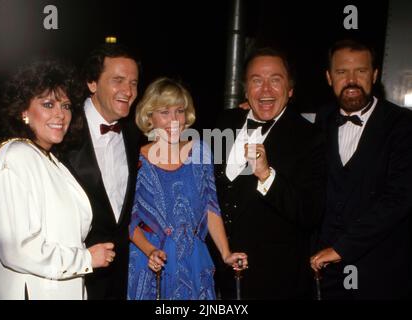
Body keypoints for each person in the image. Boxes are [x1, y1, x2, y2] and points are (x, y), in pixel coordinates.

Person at [0, 60, 115, 300]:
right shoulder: (17, 156)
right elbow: (16, 249)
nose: (61, 114)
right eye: (48, 104)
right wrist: (86, 258)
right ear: (23, 111)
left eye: (66, 106)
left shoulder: (52, 161)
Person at [214, 48, 326, 299]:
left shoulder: (310, 138)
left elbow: (310, 213)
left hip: (276, 282)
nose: (265, 90)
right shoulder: (225, 122)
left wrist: (266, 175)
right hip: (218, 278)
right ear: (245, 90)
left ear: (290, 90)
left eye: (275, 80)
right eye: (256, 80)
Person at [127, 77, 248, 300]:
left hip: (193, 261)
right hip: (149, 262)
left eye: (179, 111)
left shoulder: (200, 152)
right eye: (164, 112)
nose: (174, 120)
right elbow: (128, 219)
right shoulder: (135, 159)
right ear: (149, 116)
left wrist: (226, 253)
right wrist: (149, 250)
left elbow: (211, 207)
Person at [311, 39, 412, 299]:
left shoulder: (402, 124)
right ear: (329, 77)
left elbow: (399, 198)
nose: (352, 80)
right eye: (342, 72)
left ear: (375, 75)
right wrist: (252, 113)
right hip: (323, 274)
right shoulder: (322, 119)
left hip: (380, 273)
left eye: (361, 71)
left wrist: (342, 248)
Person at [62, 44, 141, 299]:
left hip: (120, 276)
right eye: (118, 80)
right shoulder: (61, 129)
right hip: (72, 274)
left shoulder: (133, 133)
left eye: (133, 83)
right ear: (92, 83)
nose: (128, 91)